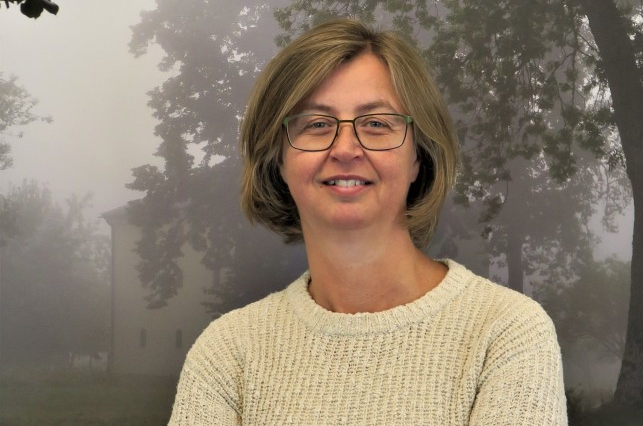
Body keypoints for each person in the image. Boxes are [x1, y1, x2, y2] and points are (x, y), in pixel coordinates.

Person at [168, 19, 567, 425]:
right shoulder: (226, 354)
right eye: (316, 124)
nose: (345, 149)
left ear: (418, 157)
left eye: (376, 124)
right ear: (279, 160)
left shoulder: (506, 333)